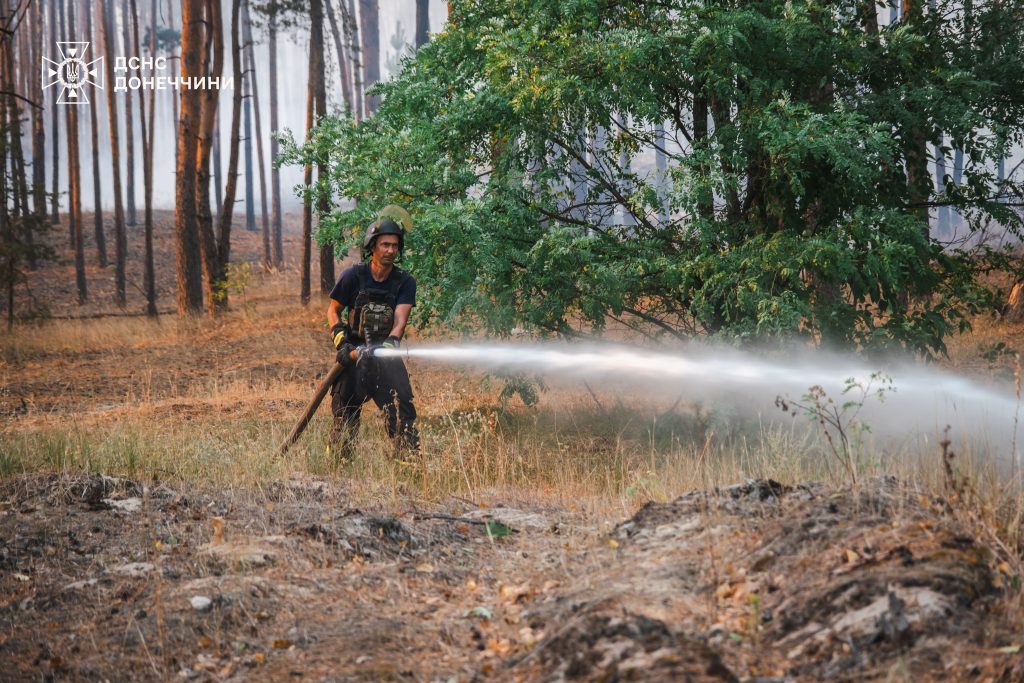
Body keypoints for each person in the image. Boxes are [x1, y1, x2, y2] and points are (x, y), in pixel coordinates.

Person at [326, 215, 419, 459]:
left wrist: (391, 342)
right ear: (372, 246)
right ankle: (338, 461)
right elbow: (333, 310)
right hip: (354, 351)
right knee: (343, 413)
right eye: (385, 245)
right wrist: (341, 342)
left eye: (395, 245)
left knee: (402, 411)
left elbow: (400, 319)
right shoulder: (352, 276)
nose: (390, 250)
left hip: (386, 352)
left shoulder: (405, 282)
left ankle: (406, 462)